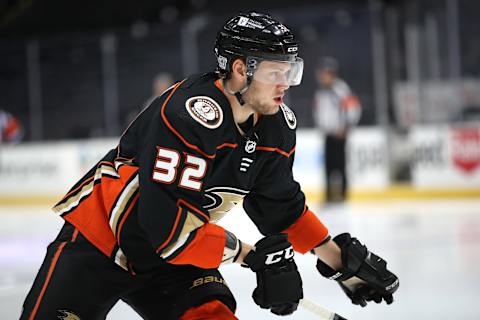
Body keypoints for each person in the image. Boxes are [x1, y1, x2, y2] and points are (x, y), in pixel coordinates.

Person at [21, 12, 398, 320]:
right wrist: (252, 256)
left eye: (290, 72)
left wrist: (338, 261)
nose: (286, 84)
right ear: (239, 69)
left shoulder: (276, 124)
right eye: (275, 73)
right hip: (103, 243)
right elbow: (166, 230)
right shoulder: (190, 115)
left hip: (176, 258)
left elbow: (279, 205)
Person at [313, 57, 362, 204]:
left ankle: (342, 195)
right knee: (328, 166)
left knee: (340, 165)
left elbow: (353, 108)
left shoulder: (340, 89)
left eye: (325, 73)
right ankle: (329, 196)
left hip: (339, 135)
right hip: (328, 134)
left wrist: (346, 128)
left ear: (332, 74)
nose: (322, 76)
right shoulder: (321, 91)